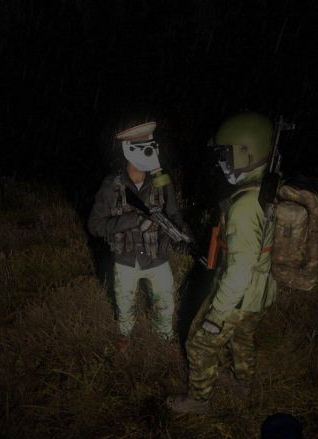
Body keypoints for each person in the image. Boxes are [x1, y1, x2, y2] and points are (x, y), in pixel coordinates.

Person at [168, 112, 278, 414]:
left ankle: (199, 400)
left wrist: (217, 314)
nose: (221, 162)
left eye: (226, 155)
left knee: (199, 344)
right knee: (242, 336)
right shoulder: (268, 187)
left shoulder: (244, 207)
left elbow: (239, 271)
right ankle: (243, 383)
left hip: (238, 294)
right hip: (261, 291)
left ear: (246, 152)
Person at [88, 121, 185, 355]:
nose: (151, 154)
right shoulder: (111, 186)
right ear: (129, 151)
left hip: (157, 257)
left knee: (165, 304)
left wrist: (178, 236)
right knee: (125, 306)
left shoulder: (162, 182)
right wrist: (132, 221)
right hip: (126, 260)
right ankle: (125, 338)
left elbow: (174, 215)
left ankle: (164, 341)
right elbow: (95, 225)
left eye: (152, 148)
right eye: (146, 149)